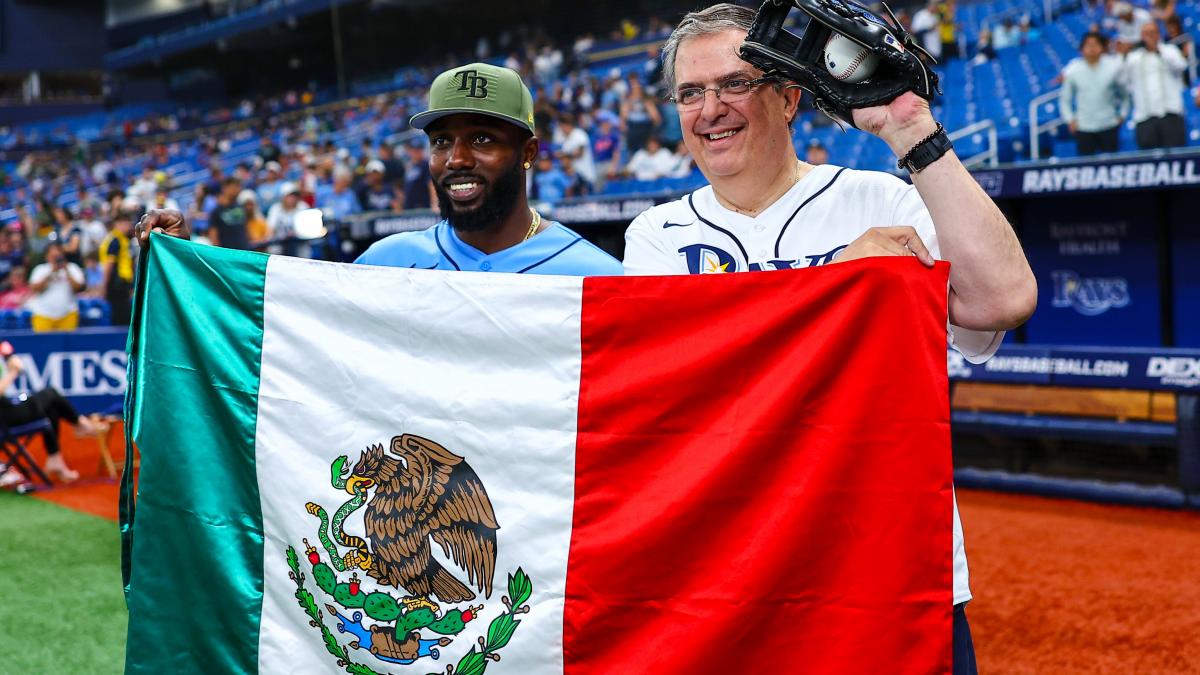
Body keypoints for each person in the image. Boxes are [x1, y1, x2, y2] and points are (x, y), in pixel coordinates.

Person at [622, 6, 1037, 673]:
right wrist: (842, 283)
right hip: (730, 579)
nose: (710, 109)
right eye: (690, 94)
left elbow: (1003, 299)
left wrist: (913, 133)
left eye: (733, 84)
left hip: (888, 570)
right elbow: (690, 390)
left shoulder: (882, 199)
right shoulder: (656, 237)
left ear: (789, 96)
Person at [138, 63, 621, 278]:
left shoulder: (597, 278)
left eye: (482, 139)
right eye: (441, 142)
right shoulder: (384, 264)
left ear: (529, 152)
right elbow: (273, 342)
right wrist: (182, 263)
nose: (457, 159)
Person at [0, 341, 107, 484]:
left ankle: (55, 458)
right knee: (51, 393)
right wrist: (13, 371)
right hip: (6, 419)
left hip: (7, 412)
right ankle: (80, 423)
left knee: (52, 408)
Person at [1122, 21, 1189, 149]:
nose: (1150, 36)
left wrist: (1157, 50)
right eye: (1146, 34)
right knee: (1148, 159)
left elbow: (1181, 66)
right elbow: (1122, 80)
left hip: (1170, 112)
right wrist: (1123, 55)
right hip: (1144, 115)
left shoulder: (1169, 50)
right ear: (1141, 36)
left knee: (1176, 156)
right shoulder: (1134, 57)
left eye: (1153, 33)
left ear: (1159, 34)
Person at [1061, 32, 1126, 155]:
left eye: (1095, 44)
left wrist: (1122, 114)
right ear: (1082, 49)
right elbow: (1065, 99)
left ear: (1102, 47)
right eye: (1088, 45)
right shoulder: (1073, 70)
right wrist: (1070, 119)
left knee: (1111, 166)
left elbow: (1125, 95)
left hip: (1109, 124)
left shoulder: (1113, 68)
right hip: (1084, 127)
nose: (1092, 48)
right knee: (1086, 167)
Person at [26, 241, 86, 332]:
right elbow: (35, 288)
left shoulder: (72, 268)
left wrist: (66, 270)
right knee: (43, 344)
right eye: (52, 254)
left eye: (58, 254)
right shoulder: (40, 269)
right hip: (43, 314)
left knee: (68, 345)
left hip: (68, 314)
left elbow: (78, 288)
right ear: (47, 256)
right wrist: (51, 272)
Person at [100, 212, 135, 326]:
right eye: (125, 223)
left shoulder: (124, 240)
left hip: (123, 284)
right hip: (116, 285)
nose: (128, 227)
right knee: (120, 317)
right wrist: (104, 286)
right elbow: (109, 265)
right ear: (117, 224)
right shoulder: (115, 241)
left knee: (124, 316)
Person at [208, 177, 251, 250]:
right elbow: (214, 235)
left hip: (244, 251)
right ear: (225, 188)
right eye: (234, 187)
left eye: (238, 187)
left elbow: (245, 229)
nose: (238, 190)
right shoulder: (216, 211)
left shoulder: (240, 207)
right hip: (228, 254)